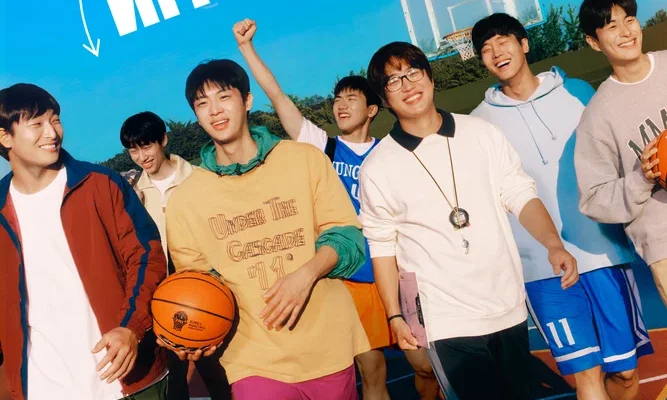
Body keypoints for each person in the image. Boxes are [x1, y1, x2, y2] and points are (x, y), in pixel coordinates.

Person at [232, 18, 441, 400]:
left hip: (395, 273)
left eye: (351, 99)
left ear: (373, 108)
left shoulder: (391, 151)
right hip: (350, 279)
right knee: (373, 372)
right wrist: (247, 49)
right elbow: (278, 98)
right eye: (337, 99)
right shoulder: (323, 146)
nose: (341, 106)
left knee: (427, 367)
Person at [359, 41, 579, 400]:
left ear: (430, 77)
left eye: (413, 72)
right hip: (444, 319)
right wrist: (395, 315)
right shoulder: (378, 167)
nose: (407, 85)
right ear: (383, 98)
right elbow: (382, 246)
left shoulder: (481, 133)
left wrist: (553, 244)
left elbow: (519, 193)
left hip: (507, 304)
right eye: (393, 81)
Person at [161, 58, 370, 400]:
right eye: (202, 103)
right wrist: (192, 329)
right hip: (251, 357)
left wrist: (305, 276)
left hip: (326, 343)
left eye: (224, 97)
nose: (215, 110)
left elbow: (347, 237)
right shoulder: (184, 200)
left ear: (247, 100)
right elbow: (199, 286)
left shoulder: (304, 159)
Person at [469, 12, 652, 399]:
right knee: (586, 376)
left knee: (625, 374)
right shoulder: (479, 125)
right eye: (485, 49)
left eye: (503, 41)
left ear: (524, 44)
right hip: (541, 269)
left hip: (603, 252)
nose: (496, 52)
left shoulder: (579, 93)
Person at [0, 83, 168, 399]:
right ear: (5, 137)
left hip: (127, 380)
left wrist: (131, 328)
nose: (52, 132)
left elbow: (147, 256)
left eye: (55, 120)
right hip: (42, 387)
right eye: (37, 123)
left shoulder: (101, 184)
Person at [119, 111, 232, 400]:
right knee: (172, 377)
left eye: (146, 146)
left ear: (163, 140)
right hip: (161, 298)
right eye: (133, 150)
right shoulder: (132, 194)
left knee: (217, 371)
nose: (141, 157)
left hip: (203, 292)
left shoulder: (200, 178)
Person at [575, 0, 667, 333]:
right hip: (662, 239)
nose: (626, 32)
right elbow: (593, 199)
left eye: (629, 20)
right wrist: (642, 178)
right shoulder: (597, 115)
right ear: (593, 41)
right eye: (611, 26)